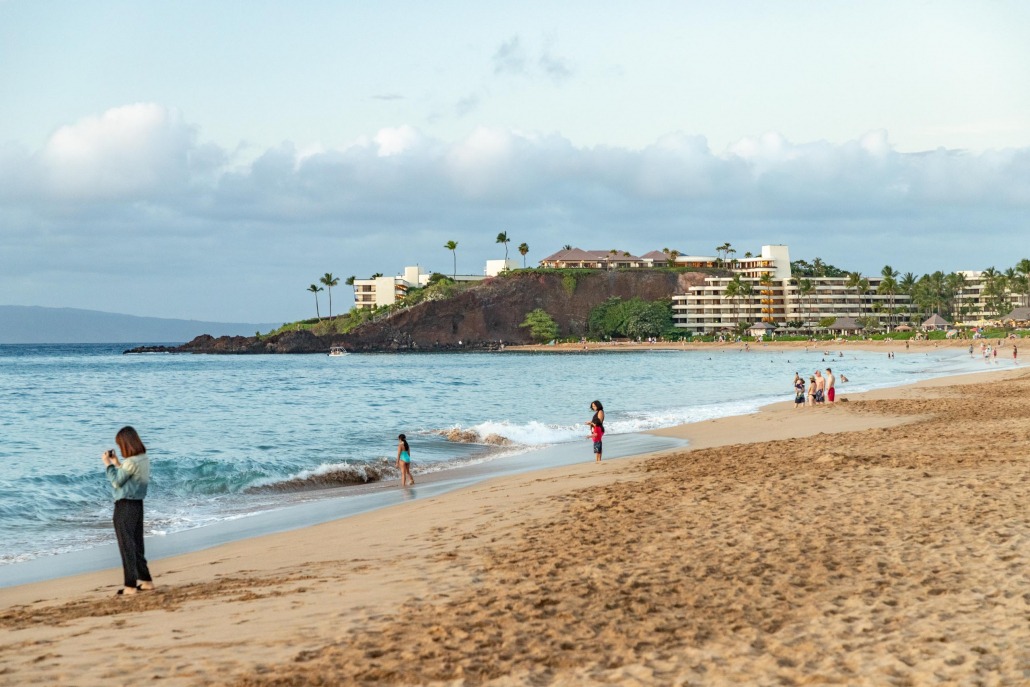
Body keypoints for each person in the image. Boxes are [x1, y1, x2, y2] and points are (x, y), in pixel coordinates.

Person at [102, 426, 155, 596]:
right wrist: (117, 463)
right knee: (137, 544)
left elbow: (117, 482)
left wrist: (108, 465)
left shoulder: (131, 462)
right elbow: (128, 476)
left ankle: (130, 586)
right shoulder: (143, 459)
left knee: (127, 546)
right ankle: (146, 581)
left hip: (125, 505)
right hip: (138, 504)